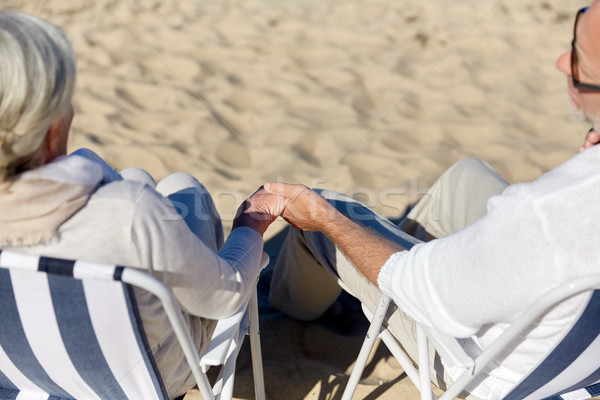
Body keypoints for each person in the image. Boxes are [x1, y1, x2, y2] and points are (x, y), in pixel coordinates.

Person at [263, 3, 600, 399]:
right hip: (584, 347)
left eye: (578, 59)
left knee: (325, 210)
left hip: (482, 366)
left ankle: (297, 305)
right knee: (465, 177)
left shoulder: (540, 212)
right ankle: (365, 262)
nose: (563, 62)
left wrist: (326, 219)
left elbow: (416, 287)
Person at [0, 12, 285, 399]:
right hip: (148, 378)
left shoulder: (125, 208)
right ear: (52, 130)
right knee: (184, 189)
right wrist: (251, 224)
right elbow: (226, 296)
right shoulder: (125, 214)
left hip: (31, 374)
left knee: (135, 177)